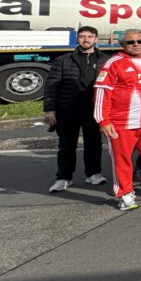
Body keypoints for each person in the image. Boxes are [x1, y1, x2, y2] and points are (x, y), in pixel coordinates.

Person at [94, 29, 141, 211]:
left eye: (139, 41)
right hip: (122, 123)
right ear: (122, 45)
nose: (136, 45)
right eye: (131, 42)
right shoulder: (114, 63)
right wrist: (103, 120)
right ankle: (125, 193)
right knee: (121, 160)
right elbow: (102, 92)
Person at [46, 26, 110, 193]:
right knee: (67, 144)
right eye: (82, 36)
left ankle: (93, 173)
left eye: (90, 36)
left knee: (94, 143)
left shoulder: (106, 60)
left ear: (96, 39)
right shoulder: (63, 60)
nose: (86, 39)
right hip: (68, 108)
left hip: (94, 109)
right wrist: (49, 109)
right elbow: (51, 86)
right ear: (77, 39)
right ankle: (64, 177)